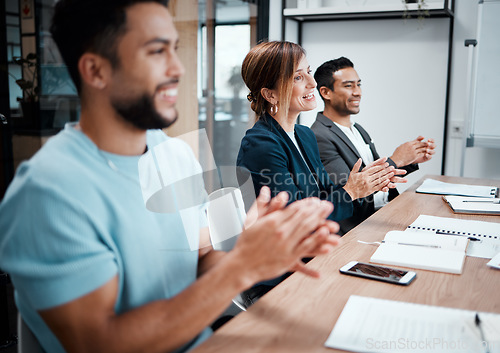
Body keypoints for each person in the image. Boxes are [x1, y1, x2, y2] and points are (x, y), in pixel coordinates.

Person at [0, 2, 342, 352]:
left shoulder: (176, 154)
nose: (177, 68)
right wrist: (241, 266)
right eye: (156, 51)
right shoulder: (48, 192)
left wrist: (250, 241)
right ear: (96, 70)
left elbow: (199, 257)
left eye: (174, 50)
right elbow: (103, 343)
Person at [235, 42, 405, 302]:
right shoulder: (261, 145)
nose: (312, 84)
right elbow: (297, 222)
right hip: (280, 275)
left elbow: (325, 196)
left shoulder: (304, 135)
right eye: (298, 77)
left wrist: (363, 186)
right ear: (270, 94)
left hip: (314, 256)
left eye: (309, 72)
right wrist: (350, 192)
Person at [311, 57, 436, 234]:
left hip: (384, 212)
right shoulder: (319, 135)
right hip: (359, 226)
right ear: (326, 92)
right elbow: (351, 191)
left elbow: (376, 174)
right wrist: (396, 160)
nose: (357, 92)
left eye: (358, 84)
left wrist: (409, 159)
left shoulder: (358, 129)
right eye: (348, 86)